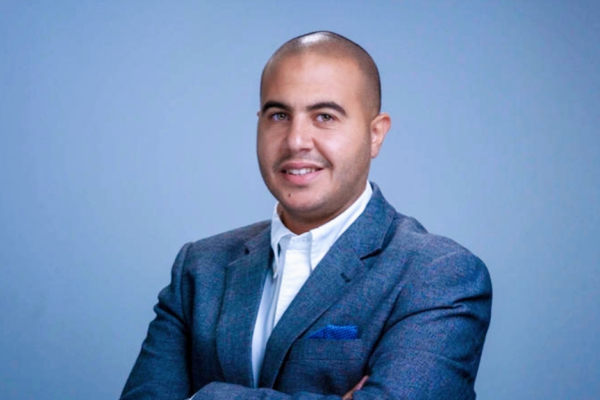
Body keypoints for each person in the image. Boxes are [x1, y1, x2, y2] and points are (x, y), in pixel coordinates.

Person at [120, 31, 492, 400]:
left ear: (376, 134)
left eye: (324, 116)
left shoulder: (439, 275)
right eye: (279, 115)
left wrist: (208, 397)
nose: (296, 140)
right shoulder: (200, 268)